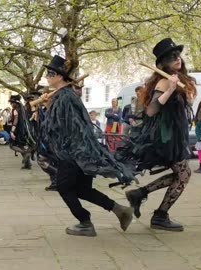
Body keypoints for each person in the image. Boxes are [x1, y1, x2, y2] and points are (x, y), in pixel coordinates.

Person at [41, 55, 134, 237]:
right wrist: (48, 104)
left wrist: (72, 154)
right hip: (81, 151)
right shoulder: (65, 96)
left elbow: (63, 127)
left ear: (60, 76)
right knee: (83, 190)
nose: (47, 76)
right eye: (47, 73)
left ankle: (84, 222)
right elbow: (63, 120)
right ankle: (120, 210)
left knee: (64, 187)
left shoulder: (65, 96)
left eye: (50, 73)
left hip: (73, 152)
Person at [123, 38, 196, 232]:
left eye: (178, 55)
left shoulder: (176, 79)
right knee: (183, 175)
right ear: (163, 62)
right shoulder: (164, 81)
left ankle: (140, 194)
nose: (177, 58)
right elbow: (152, 110)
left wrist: (187, 99)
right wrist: (171, 89)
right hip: (166, 139)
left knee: (182, 175)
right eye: (172, 56)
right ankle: (159, 215)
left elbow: (177, 109)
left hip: (174, 137)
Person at [9, 95, 36, 169]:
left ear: (16, 103)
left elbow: (15, 120)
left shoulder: (15, 110)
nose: (11, 104)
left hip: (18, 131)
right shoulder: (24, 108)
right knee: (22, 146)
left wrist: (12, 131)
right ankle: (28, 164)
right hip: (26, 130)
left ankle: (26, 153)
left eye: (12, 103)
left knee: (12, 145)